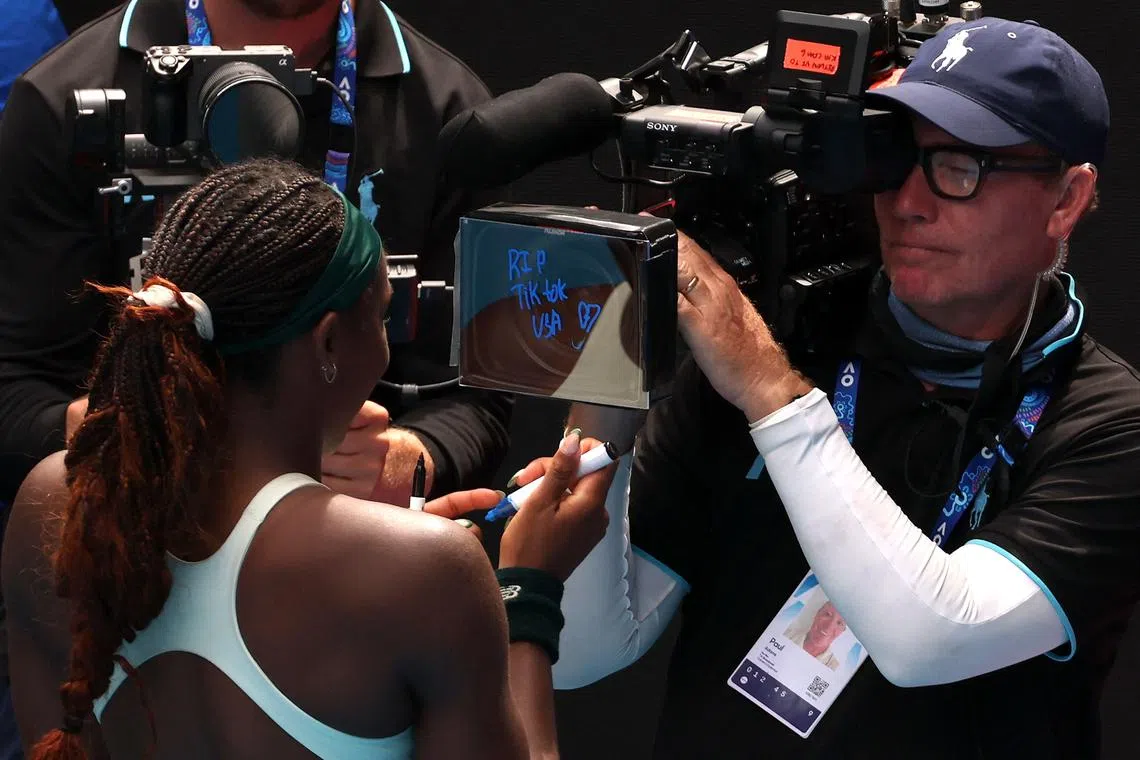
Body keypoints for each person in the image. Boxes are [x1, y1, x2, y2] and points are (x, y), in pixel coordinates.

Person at [537, 18, 1140, 759]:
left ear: (1067, 200)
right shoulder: (788, 338)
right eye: (893, 160)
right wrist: (608, 390)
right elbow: (580, 650)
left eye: (960, 168)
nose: (909, 201)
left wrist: (769, 391)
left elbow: (928, 640)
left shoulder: (1110, 425)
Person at [1, 158, 614, 759]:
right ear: (327, 340)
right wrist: (528, 590)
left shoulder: (50, 501)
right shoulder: (430, 572)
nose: (383, 347)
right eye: (381, 315)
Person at [0, 0, 510, 511]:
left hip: (350, 544)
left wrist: (413, 459)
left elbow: (480, 395)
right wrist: (108, 434)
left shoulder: (448, 111)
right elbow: (14, 383)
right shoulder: (61, 101)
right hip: (135, 545)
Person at [783, 596, 845, 672]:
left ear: (842, 632)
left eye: (839, 623)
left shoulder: (835, 669)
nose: (828, 627)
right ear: (817, 614)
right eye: (827, 614)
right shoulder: (785, 634)